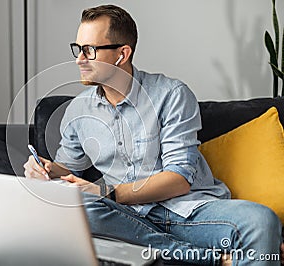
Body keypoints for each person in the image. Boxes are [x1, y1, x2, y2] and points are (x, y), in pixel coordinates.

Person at [24, 4, 284, 265]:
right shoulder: (78, 110)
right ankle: (208, 259)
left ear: (121, 54)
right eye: (78, 49)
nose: (79, 59)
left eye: (89, 50)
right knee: (74, 207)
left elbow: (178, 180)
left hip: (188, 212)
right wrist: (48, 170)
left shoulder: (171, 95)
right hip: (127, 218)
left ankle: (168, 250)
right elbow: (70, 171)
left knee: (260, 221)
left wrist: (107, 192)